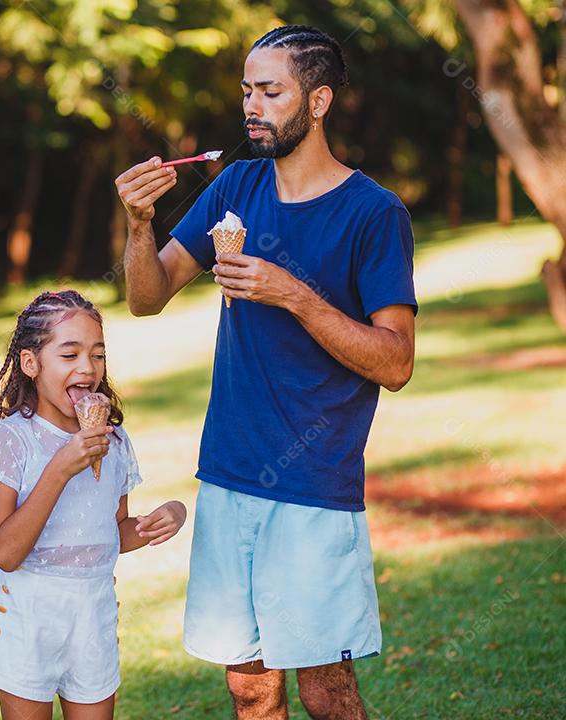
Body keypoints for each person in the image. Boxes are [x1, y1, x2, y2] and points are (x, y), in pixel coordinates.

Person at [115, 25, 417, 720]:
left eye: (271, 91)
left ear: (318, 102)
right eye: (247, 90)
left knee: (325, 690)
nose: (253, 105)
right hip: (228, 472)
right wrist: (138, 223)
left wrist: (294, 294)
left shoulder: (374, 213)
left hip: (314, 483)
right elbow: (147, 296)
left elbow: (396, 362)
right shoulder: (237, 185)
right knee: (249, 687)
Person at [0, 289, 187, 720]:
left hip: (92, 615)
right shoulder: (9, 440)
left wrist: (162, 519)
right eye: (69, 355)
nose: (87, 368)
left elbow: (113, 531)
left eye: (98, 355)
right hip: (26, 616)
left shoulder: (115, 441)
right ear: (31, 364)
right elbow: (7, 552)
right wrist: (61, 468)